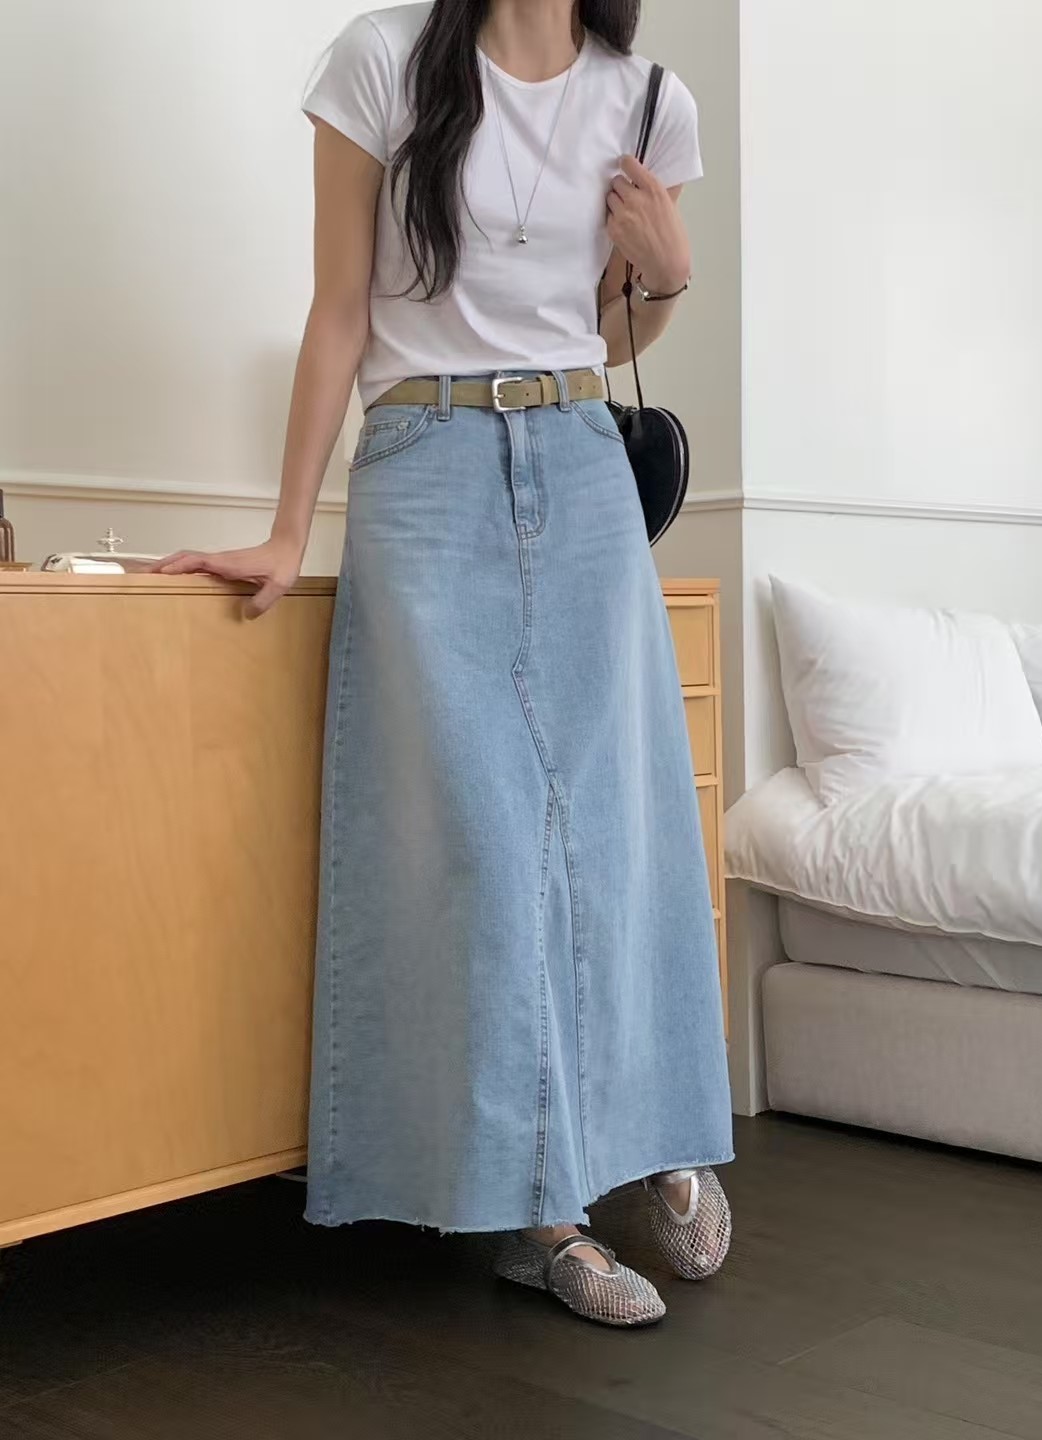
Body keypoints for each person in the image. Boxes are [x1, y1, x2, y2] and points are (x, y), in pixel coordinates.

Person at [154, 0, 733, 1328]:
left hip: (581, 462)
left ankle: (652, 1137)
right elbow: (340, 311)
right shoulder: (381, 63)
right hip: (426, 462)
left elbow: (607, 333)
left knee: (618, 834)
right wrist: (288, 526)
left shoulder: (649, 99)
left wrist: (669, 276)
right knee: (482, 843)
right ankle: (542, 1216)